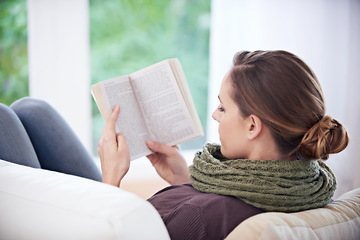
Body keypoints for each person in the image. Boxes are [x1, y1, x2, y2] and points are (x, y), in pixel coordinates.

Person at [0, 50, 349, 240]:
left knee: (4, 118)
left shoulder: (202, 216)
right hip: (113, 207)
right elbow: (222, 209)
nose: (215, 114)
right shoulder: (303, 186)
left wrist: (111, 182)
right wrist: (183, 182)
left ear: (253, 125)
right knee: (33, 110)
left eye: (223, 107)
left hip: (92, 223)